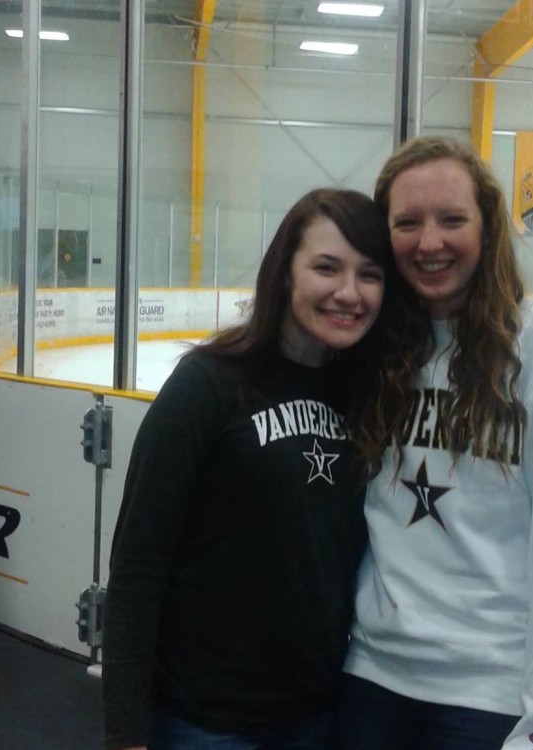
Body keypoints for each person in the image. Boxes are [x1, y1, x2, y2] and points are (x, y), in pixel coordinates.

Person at [332, 136, 533, 750]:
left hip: (486, 697)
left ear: (487, 227)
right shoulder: (372, 347)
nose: (430, 242)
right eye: (408, 223)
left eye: (452, 219)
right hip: (370, 681)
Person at [102, 188, 397, 750]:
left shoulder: (367, 397)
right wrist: (125, 731)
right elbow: (139, 563)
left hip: (318, 717)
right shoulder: (207, 385)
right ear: (285, 272)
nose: (348, 293)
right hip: (202, 722)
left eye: (370, 274)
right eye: (326, 268)